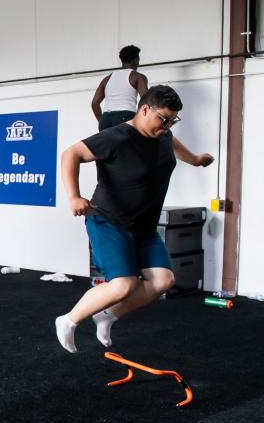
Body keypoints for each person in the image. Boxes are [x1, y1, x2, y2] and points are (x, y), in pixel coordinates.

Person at [55, 85, 214, 353]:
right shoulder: (116, 137)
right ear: (144, 109)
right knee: (123, 285)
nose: (167, 125)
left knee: (163, 281)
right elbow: (71, 154)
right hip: (109, 221)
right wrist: (74, 196)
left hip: (144, 226)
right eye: (163, 119)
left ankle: (106, 317)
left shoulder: (163, 135)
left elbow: (172, 144)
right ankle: (68, 320)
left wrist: (196, 160)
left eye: (172, 120)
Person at [91, 45, 148, 131]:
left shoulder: (107, 79)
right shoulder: (138, 77)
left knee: (108, 145)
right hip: (125, 117)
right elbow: (145, 100)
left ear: (121, 60)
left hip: (106, 119)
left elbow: (94, 103)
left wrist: (102, 120)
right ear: (136, 60)